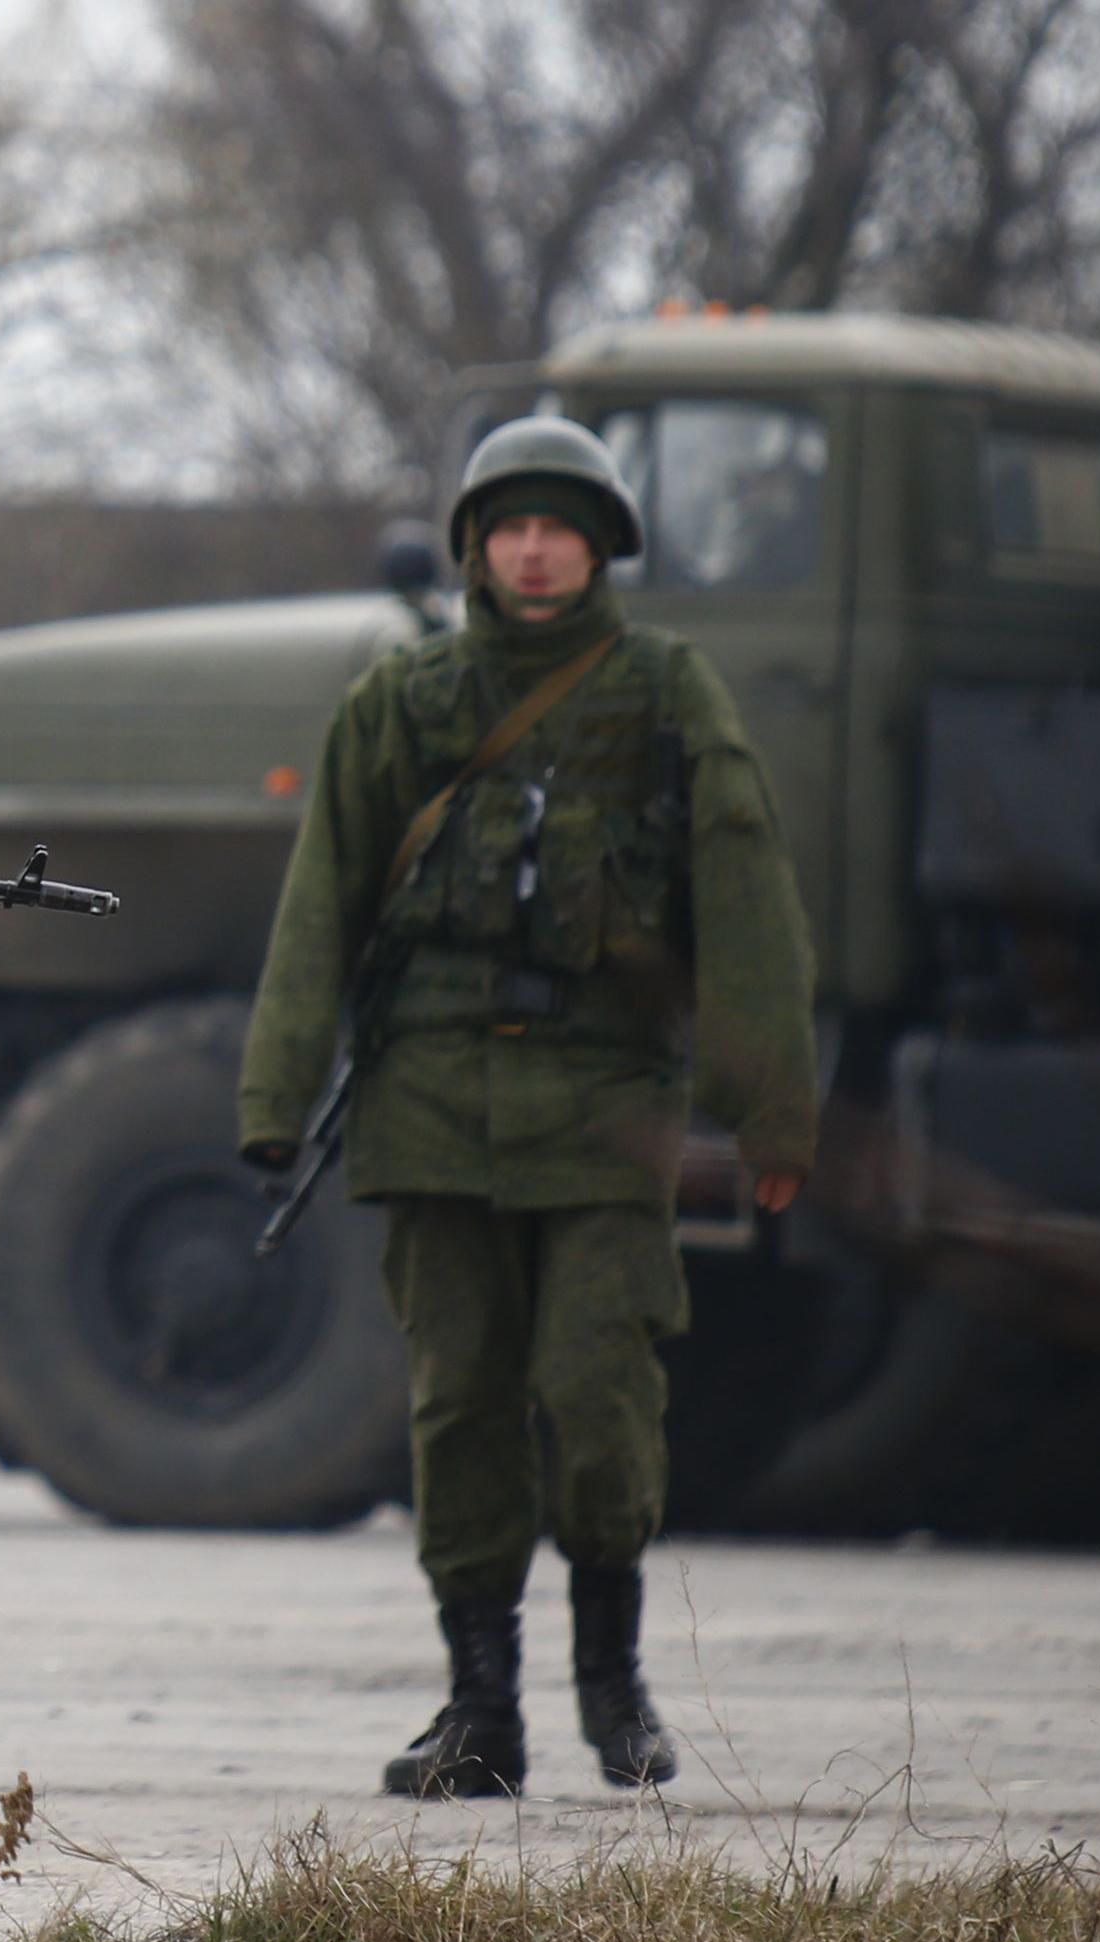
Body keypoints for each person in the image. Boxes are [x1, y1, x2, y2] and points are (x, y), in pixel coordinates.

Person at [236, 416, 820, 1799]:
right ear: (476, 549)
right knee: (459, 1406)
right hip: (431, 1101)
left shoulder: (669, 695)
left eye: (560, 526)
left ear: (601, 544)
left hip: (607, 1105)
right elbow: (321, 898)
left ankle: (612, 1686)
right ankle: (478, 1708)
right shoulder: (406, 701)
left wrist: (771, 1109)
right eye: (510, 527)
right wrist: (276, 1093)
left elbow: (745, 897)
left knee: (599, 1393)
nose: (536, 549)